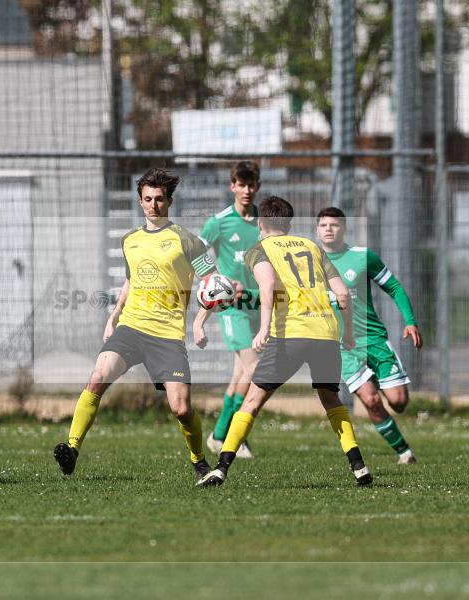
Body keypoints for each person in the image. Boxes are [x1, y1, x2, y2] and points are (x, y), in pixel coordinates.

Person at [53, 167, 240, 480]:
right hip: (131, 328)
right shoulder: (130, 241)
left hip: (167, 335)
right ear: (140, 201)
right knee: (97, 378)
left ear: (169, 202)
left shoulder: (187, 241)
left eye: (160, 199)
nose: (154, 204)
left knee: (181, 409)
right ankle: (72, 449)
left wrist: (200, 321)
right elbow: (130, 282)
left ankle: (199, 461)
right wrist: (113, 317)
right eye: (148, 199)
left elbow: (213, 283)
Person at [197, 196, 371, 488]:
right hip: (326, 333)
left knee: (252, 401)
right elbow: (342, 294)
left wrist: (263, 329)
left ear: (260, 223)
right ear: (289, 224)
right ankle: (359, 466)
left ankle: (221, 468)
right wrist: (349, 334)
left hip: (290, 334)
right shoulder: (312, 247)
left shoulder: (258, 249)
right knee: (331, 399)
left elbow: (268, 286)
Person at [316, 207, 422, 464]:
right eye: (323, 225)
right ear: (317, 230)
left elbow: (394, 286)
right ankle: (405, 453)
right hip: (342, 346)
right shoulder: (310, 263)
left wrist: (410, 321)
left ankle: (379, 378)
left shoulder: (362, 256)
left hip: (373, 339)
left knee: (398, 402)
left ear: (344, 228)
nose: (329, 229)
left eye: (334, 224)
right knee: (371, 400)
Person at [195, 160, 262, 459]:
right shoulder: (219, 222)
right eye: (241, 184)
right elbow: (194, 251)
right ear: (232, 186)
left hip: (257, 304)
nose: (246, 190)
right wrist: (215, 281)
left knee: (241, 373)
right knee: (255, 368)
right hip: (232, 308)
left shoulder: (263, 221)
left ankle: (220, 435)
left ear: (257, 186)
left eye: (251, 185)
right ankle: (237, 434)